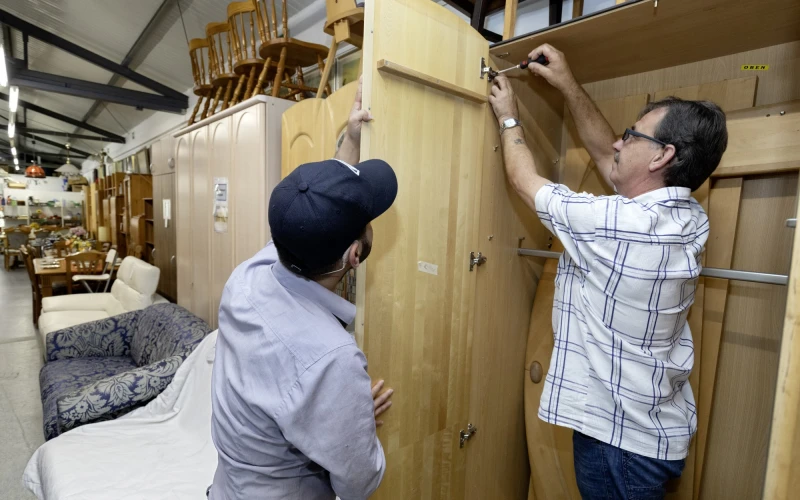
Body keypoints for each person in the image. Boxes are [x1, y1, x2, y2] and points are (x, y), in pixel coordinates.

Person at [488, 44, 728, 499]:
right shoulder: (687, 217)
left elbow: (524, 181)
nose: (619, 142)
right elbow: (605, 155)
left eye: (632, 136)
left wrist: (508, 116)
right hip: (656, 433)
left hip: (620, 447)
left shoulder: (616, 225)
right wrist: (567, 84)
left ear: (662, 157)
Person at [209, 79, 397, 500]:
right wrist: (351, 420)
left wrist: (350, 141)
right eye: (369, 220)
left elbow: (310, 215)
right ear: (353, 255)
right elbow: (358, 482)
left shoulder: (246, 278)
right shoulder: (333, 359)